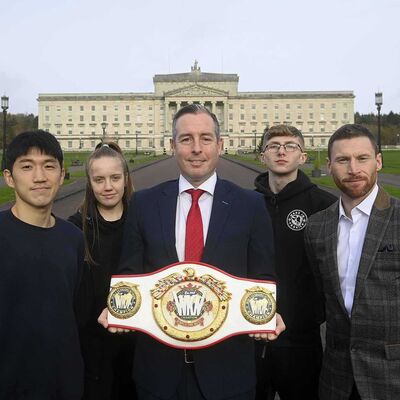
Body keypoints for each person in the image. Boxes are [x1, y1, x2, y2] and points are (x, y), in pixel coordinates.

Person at [99, 104, 285, 400]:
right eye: (186, 139)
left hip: (227, 372)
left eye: (206, 138)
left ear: (220, 145)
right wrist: (120, 307)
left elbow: (262, 276)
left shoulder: (251, 205)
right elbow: (130, 273)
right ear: (172, 146)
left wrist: (268, 313)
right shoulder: (143, 204)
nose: (196, 148)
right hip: (158, 372)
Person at [304, 124, 400, 400]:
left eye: (362, 158)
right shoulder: (316, 227)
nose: (353, 168)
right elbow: (321, 295)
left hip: (391, 377)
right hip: (337, 378)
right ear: (330, 165)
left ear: (378, 161)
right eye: (343, 160)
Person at [254, 125, 336, 400]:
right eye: (273, 145)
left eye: (290, 146)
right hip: (249, 335)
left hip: (301, 337)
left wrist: (314, 312)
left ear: (302, 157)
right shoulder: (244, 203)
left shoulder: (325, 206)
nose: (281, 151)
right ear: (262, 156)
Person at [0, 130, 84, 399]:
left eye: (49, 166)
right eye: (27, 167)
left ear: (61, 175)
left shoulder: (74, 237)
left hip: (64, 385)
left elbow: (73, 312)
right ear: (9, 178)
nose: (40, 177)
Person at [68, 142, 136, 400]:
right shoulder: (75, 228)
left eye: (115, 178)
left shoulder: (142, 223)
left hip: (136, 345)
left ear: (125, 178)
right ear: (89, 182)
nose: (108, 187)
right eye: (99, 179)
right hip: (92, 347)